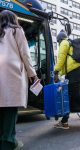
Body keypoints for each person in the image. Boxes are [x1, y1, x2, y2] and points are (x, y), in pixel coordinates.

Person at [0, 10, 38, 150]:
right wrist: (32, 74)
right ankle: (8, 142)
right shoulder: (16, 30)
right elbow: (25, 54)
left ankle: (9, 139)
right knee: (10, 107)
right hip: (12, 73)